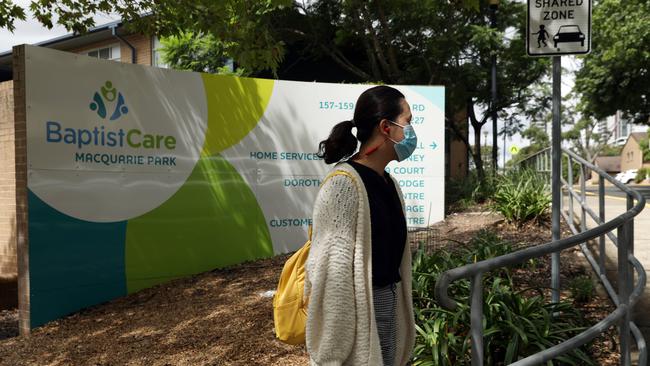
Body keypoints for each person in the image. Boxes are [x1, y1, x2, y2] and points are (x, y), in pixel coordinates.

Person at [305, 85, 416, 366]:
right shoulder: (343, 185)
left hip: (387, 305)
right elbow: (332, 276)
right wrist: (332, 354)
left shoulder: (388, 182)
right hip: (360, 316)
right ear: (385, 127)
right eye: (408, 122)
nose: (411, 133)